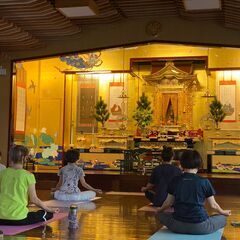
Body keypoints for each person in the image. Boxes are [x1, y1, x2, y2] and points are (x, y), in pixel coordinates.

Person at [157, 150, 231, 235]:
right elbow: (213, 205)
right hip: (200, 227)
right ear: (199, 164)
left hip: (177, 226)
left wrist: (159, 210)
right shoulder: (204, 181)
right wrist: (223, 212)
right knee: (222, 218)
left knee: (161, 215)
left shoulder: (175, 180)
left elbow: (168, 203)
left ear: (181, 164)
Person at [0, 145, 58, 226]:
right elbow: (34, 199)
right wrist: (50, 209)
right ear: (25, 159)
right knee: (47, 214)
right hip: (18, 218)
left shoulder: (2, 173)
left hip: (1, 218)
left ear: (10, 158)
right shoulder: (28, 175)